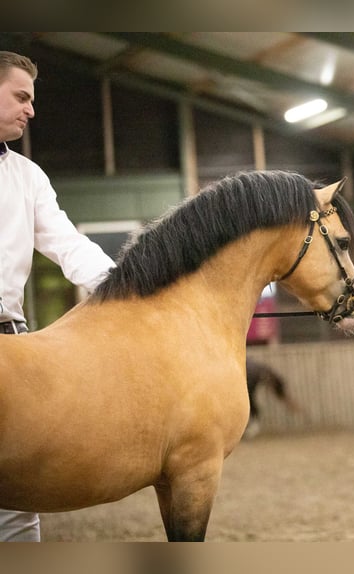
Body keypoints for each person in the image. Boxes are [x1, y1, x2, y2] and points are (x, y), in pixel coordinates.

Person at [0, 51, 116, 542]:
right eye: (20, 96)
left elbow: (67, 245)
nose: (31, 110)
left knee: (18, 500)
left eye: (31, 99)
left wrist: (129, 285)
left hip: (10, 347)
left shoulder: (28, 176)